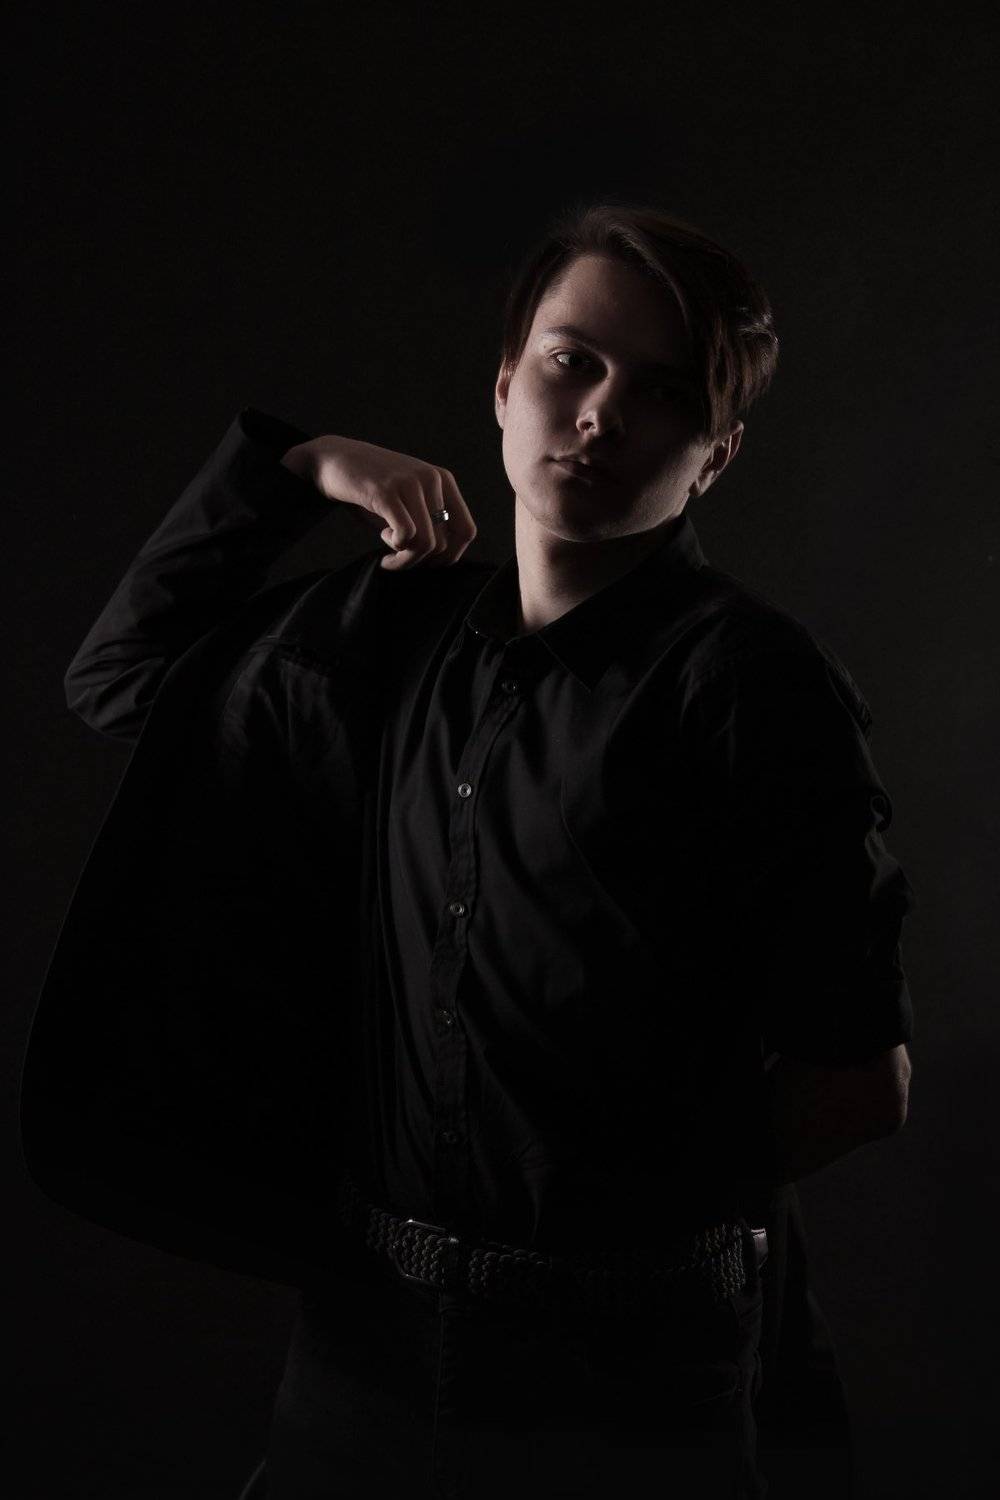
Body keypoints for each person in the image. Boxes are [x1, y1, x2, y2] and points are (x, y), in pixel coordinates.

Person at [20, 200, 916, 1499]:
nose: (601, 415)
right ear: (504, 386)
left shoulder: (749, 685)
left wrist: (620, 1230)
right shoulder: (396, 635)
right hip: (361, 1352)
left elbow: (860, 1084)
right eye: (572, 362)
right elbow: (119, 681)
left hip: (627, 1385)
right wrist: (304, 466)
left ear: (715, 456)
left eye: (664, 392)